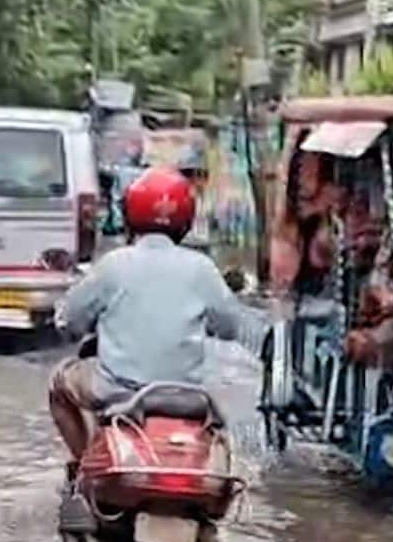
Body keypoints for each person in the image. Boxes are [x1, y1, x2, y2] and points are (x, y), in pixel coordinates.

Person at [49, 167, 261, 468]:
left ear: (130, 214)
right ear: (186, 218)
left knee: (59, 382)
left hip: (118, 391)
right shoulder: (202, 268)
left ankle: (85, 464)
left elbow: (70, 322)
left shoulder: (113, 265)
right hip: (188, 397)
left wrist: (67, 324)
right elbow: (230, 327)